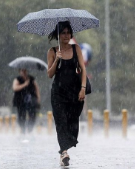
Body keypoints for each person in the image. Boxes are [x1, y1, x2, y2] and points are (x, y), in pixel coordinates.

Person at [46, 21, 86, 167]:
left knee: (72, 121)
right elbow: (49, 74)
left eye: (68, 32)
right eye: (63, 33)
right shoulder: (52, 51)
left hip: (74, 92)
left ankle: (65, 147)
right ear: (58, 34)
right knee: (61, 121)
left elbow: (83, 69)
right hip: (58, 93)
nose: (66, 35)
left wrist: (82, 88)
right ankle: (64, 153)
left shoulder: (76, 49)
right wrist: (57, 58)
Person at [12, 69, 41, 135]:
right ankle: (23, 129)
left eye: (25, 71)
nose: (24, 72)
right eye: (22, 71)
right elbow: (15, 88)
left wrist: (38, 98)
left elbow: (37, 89)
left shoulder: (31, 79)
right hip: (20, 101)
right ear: (20, 72)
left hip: (31, 100)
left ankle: (30, 129)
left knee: (32, 115)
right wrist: (25, 84)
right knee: (21, 115)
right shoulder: (17, 79)